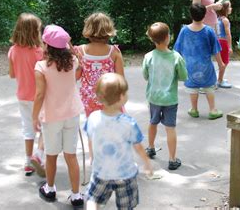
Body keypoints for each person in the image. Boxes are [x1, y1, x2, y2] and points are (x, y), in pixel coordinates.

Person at [32, 25, 84, 207]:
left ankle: (51, 188)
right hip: (72, 114)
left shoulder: (41, 66)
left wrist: (34, 117)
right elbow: (77, 72)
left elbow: (39, 95)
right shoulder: (73, 62)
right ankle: (76, 195)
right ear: (64, 46)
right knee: (71, 156)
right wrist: (69, 43)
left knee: (51, 155)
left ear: (46, 45)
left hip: (52, 116)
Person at [85, 73, 153, 210]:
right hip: (125, 174)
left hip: (101, 172)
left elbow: (91, 138)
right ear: (122, 97)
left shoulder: (93, 118)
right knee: (126, 206)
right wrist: (147, 163)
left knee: (93, 199)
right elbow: (138, 147)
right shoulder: (128, 123)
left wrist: (92, 156)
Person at [75, 12, 124, 162]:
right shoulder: (114, 52)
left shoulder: (80, 51)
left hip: (89, 98)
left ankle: (95, 158)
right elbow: (120, 78)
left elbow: (77, 76)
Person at [142, 22, 188, 170]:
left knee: (152, 122)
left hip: (154, 97)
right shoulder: (176, 57)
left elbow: (145, 75)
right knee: (170, 128)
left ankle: (150, 147)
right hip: (170, 99)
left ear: (152, 39)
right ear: (168, 37)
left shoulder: (148, 56)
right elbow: (183, 76)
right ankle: (172, 159)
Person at [8, 13, 45, 177]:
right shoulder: (40, 52)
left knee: (28, 128)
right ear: (35, 32)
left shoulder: (12, 51)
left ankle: (28, 161)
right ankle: (40, 155)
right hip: (41, 97)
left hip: (22, 96)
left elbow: (12, 74)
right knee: (45, 127)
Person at [174, 4, 224, 120]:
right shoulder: (209, 30)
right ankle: (212, 110)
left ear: (190, 14)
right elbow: (216, 49)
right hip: (206, 66)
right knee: (209, 87)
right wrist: (220, 64)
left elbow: (177, 50)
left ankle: (194, 109)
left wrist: (176, 66)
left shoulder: (184, 30)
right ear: (205, 15)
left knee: (193, 88)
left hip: (190, 66)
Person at [216, 0, 233, 88]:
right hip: (223, 42)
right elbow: (228, 34)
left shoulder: (218, 19)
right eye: (229, 7)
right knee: (224, 62)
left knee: (221, 61)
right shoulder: (225, 20)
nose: (231, 8)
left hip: (218, 41)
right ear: (225, 9)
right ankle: (220, 80)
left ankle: (220, 77)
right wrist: (230, 46)